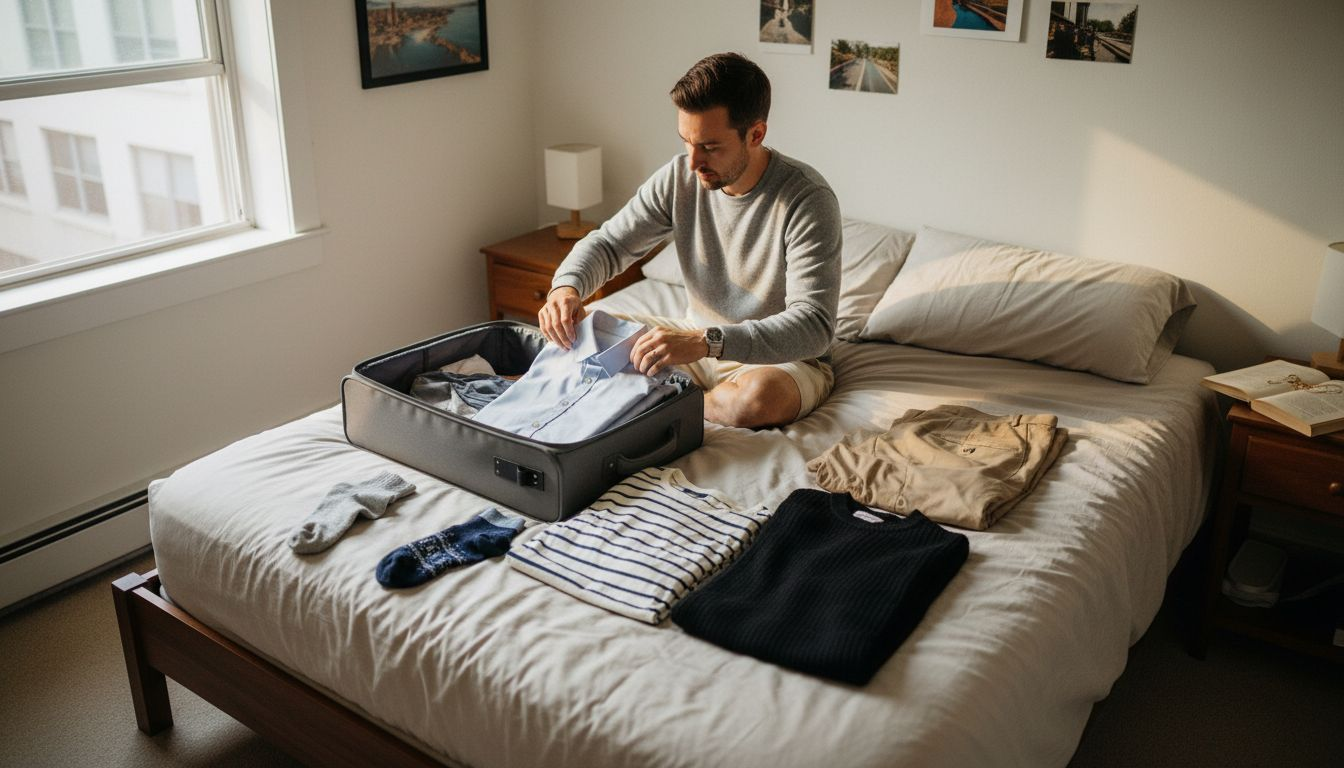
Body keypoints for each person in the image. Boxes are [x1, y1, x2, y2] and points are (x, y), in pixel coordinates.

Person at [538, 52, 842, 429]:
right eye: (687, 141)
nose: (693, 161)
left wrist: (708, 342)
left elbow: (813, 326)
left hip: (778, 358)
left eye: (710, 147)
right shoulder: (680, 177)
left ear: (756, 134)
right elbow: (610, 244)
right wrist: (565, 288)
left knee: (757, 401)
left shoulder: (807, 199)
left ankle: (657, 398)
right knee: (573, 340)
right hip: (692, 341)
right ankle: (679, 397)